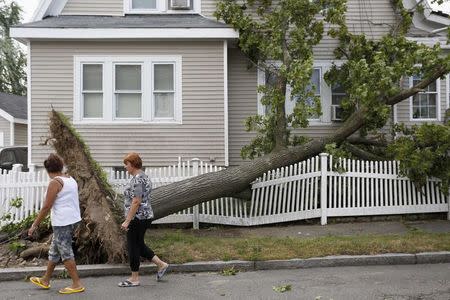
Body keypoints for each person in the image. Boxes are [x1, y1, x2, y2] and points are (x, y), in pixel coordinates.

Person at [27, 153, 85, 295]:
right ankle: (46, 279)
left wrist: (35, 225)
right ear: (60, 165)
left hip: (62, 222)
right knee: (55, 249)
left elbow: (47, 206)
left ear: (47, 169)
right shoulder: (70, 179)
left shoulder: (55, 182)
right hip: (72, 219)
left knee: (65, 252)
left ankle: (77, 284)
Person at [118, 152, 169, 287]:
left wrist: (127, 220)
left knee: (133, 246)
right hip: (143, 217)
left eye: (126, 164)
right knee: (139, 245)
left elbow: (136, 201)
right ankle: (161, 264)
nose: (125, 167)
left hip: (138, 218)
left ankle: (134, 278)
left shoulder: (138, 179)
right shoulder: (143, 177)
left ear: (133, 164)